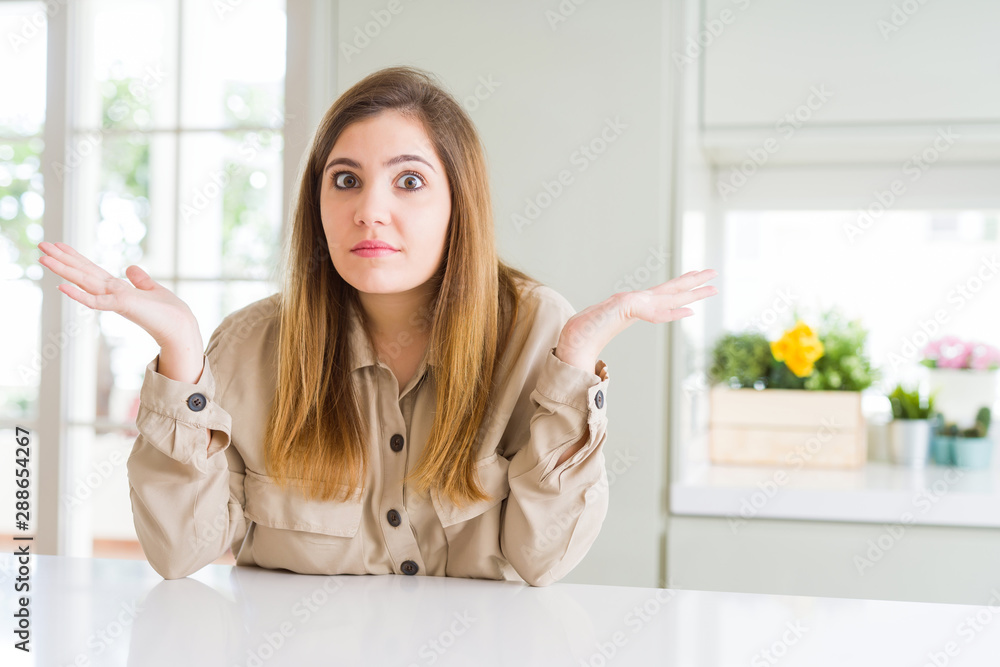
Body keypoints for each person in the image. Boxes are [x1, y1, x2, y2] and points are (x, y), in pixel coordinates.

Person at [37, 66, 718, 586]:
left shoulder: (536, 329)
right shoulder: (248, 346)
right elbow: (181, 554)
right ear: (319, 202)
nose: (370, 211)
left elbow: (542, 560)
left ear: (460, 202)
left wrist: (575, 360)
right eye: (345, 180)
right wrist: (181, 353)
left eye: (410, 182)